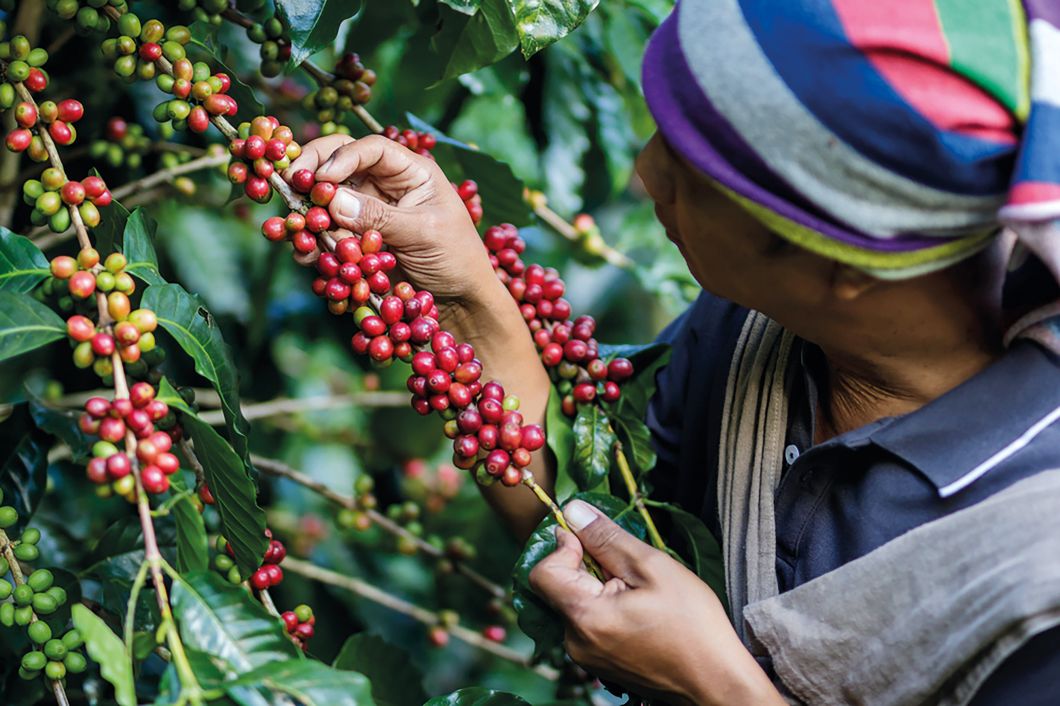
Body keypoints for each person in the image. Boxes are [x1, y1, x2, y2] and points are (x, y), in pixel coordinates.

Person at [289, 0, 1060, 703]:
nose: (646, 172)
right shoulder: (756, 325)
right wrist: (468, 293)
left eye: (692, 177)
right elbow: (586, 517)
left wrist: (717, 688)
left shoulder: (1034, 571)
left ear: (840, 263)